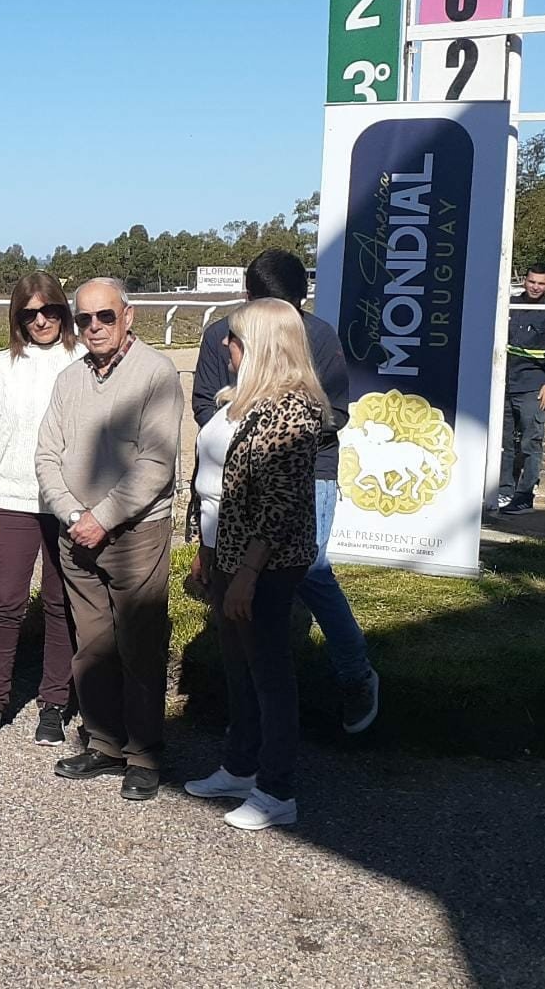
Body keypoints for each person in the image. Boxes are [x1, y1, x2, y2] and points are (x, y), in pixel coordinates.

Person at [192, 248, 380, 735]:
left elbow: (335, 410)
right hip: (233, 480)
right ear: (247, 298)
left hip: (308, 468)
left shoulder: (316, 335)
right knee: (234, 579)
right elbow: (202, 405)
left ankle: (354, 674)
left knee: (311, 569)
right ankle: (246, 713)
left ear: (302, 302)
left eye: (292, 308)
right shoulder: (220, 335)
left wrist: (279, 434)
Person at [183, 298, 330, 831]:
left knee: (269, 672)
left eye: (236, 338)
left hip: (264, 560)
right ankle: (240, 765)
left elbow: (280, 504)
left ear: (263, 347)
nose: (225, 345)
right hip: (226, 550)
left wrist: (246, 573)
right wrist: (206, 549)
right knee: (238, 665)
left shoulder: (289, 412)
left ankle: (277, 788)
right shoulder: (239, 401)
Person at [37, 277, 182, 801]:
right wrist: (74, 513)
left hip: (135, 533)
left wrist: (103, 516)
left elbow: (155, 463)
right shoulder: (69, 379)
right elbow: (46, 455)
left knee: (139, 644)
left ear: (128, 316)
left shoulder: (156, 374)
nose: (93, 327)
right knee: (92, 644)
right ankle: (104, 742)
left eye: (104, 317)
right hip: (77, 531)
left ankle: (143, 754)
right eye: (84, 319)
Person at [0, 272, 80, 747]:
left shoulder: (79, 361)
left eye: (50, 310)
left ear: (62, 311)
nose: (41, 320)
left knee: (59, 605)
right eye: (29, 314)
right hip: (10, 501)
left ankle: (53, 703)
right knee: (5, 605)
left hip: (65, 503)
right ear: (17, 317)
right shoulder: (1, 366)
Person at [499, 263, 545, 515]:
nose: (535, 287)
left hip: (533, 388)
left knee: (531, 442)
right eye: (532, 281)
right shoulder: (507, 306)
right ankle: (503, 491)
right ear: (525, 280)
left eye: (541, 283)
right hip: (502, 385)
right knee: (503, 442)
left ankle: (524, 496)